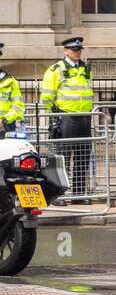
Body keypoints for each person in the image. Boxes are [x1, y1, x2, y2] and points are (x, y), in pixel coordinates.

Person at [41, 37, 94, 202]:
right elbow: (47, 96)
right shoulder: (56, 69)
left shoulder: (85, 68)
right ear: (65, 51)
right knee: (62, 158)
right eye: (73, 50)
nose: (76, 52)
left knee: (83, 157)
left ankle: (79, 195)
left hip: (85, 118)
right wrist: (56, 113)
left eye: (78, 50)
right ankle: (60, 194)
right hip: (66, 118)